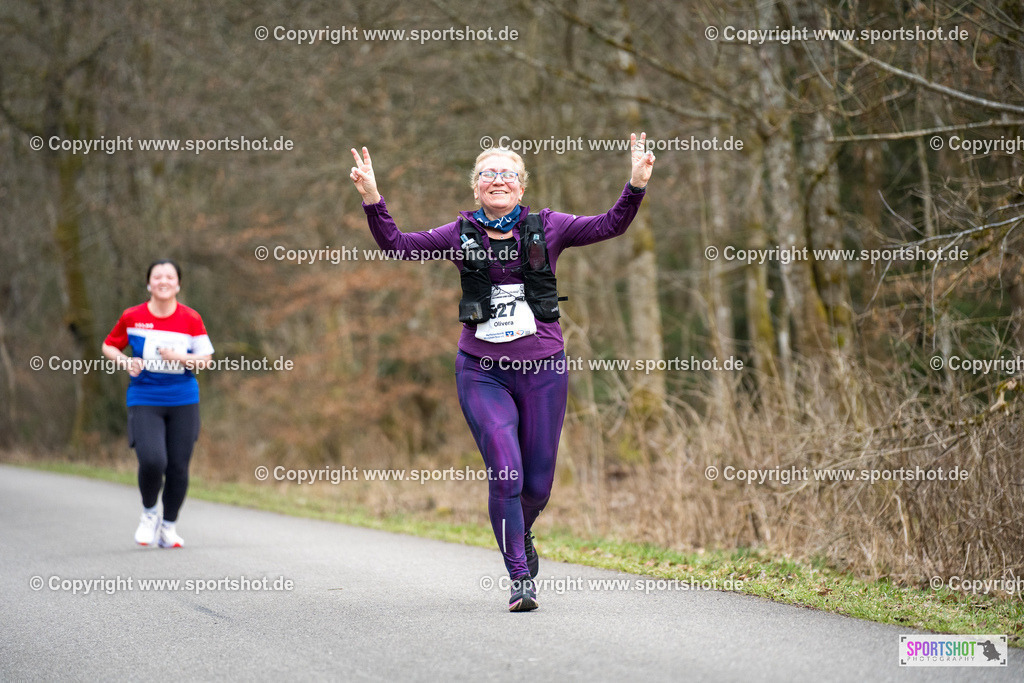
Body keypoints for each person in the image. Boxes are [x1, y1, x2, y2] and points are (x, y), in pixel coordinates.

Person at [350, 135, 655, 611]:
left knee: (537, 486)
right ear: (476, 189)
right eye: (488, 174)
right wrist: (373, 197)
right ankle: (519, 578)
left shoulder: (549, 227)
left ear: (521, 186)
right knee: (505, 471)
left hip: (543, 370)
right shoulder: (457, 233)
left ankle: (522, 530)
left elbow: (610, 225)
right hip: (482, 371)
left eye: (507, 174)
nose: (498, 180)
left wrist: (635, 185)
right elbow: (398, 245)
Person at [101, 259, 214, 548]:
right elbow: (109, 345)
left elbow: (205, 359)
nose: (164, 281)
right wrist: (126, 361)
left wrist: (180, 358)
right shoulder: (132, 316)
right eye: (157, 276)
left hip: (183, 399)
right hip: (145, 397)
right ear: (149, 284)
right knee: (153, 460)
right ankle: (149, 513)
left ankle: (169, 526)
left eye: (170, 276)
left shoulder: (191, 318)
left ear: (178, 284)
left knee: (178, 467)